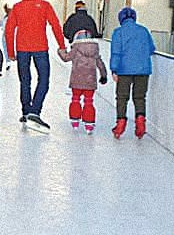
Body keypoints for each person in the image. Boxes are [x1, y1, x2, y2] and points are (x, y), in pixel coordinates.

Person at [4, 0, 65, 130]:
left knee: (25, 81)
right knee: (44, 79)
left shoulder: (17, 7)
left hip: (22, 49)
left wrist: (11, 53)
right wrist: (62, 46)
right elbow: (55, 25)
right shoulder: (45, 5)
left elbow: (9, 30)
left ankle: (26, 112)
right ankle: (35, 111)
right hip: (40, 48)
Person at [109, 7, 156, 139]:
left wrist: (114, 69)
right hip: (143, 70)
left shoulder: (118, 32)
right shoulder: (143, 31)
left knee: (122, 97)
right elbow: (151, 48)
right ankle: (140, 123)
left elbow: (116, 52)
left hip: (124, 70)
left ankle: (120, 124)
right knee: (140, 97)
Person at [58, 29, 108, 134]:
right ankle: (89, 125)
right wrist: (104, 76)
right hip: (90, 81)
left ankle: (75, 121)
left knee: (75, 99)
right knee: (89, 101)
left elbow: (66, 58)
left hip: (76, 80)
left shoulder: (76, 48)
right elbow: (100, 64)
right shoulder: (95, 49)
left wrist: (61, 51)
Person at [0, 3, 11, 70]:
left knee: (6, 48)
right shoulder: (9, 18)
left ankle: (8, 61)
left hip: (6, 34)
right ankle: (9, 60)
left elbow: (0, 24)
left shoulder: (5, 18)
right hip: (9, 34)